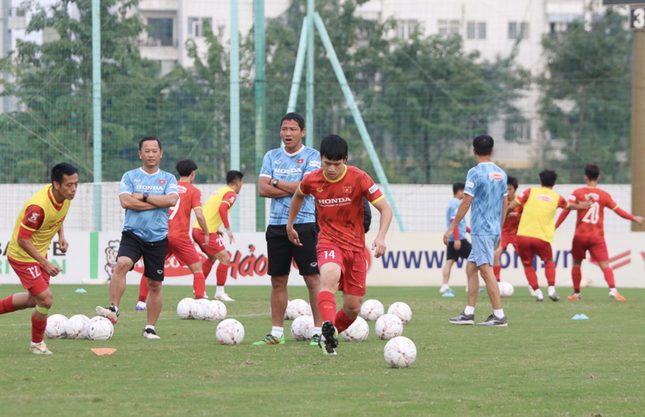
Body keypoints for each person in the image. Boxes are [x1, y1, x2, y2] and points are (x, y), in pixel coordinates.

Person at [287, 134, 393, 355]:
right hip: (328, 242)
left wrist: (381, 236)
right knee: (329, 279)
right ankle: (326, 336)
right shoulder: (312, 179)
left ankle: (330, 332)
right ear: (321, 159)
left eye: (337, 164)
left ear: (345, 159)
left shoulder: (359, 178)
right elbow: (298, 196)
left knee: (353, 307)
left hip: (355, 249)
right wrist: (290, 224)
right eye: (327, 164)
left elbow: (385, 208)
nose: (332, 169)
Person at [96, 137, 178, 339]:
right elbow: (125, 202)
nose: (150, 154)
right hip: (133, 233)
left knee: (155, 284)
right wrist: (158, 202)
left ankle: (150, 328)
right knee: (122, 263)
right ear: (140, 154)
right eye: (146, 151)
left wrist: (143, 196)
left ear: (161, 153)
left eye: (154, 151)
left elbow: (172, 199)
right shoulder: (130, 176)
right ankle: (113, 308)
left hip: (158, 237)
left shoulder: (168, 178)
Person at [252, 112, 323, 346]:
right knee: (278, 281)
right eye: (284, 129)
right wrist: (293, 187)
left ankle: (318, 331)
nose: (288, 133)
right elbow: (262, 189)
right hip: (276, 225)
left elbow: (308, 188)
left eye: (293, 129)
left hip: (304, 224)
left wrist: (275, 182)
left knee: (312, 280)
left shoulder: (312, 156)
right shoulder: (271, 156)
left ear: (302, 132)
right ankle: (276, 334)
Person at [0, 163, 78, 354]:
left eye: (76, 184)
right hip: (23, 256)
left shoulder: (65, 197)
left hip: (38, 254)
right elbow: (22, 239)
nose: (74, 189)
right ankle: (37, 345)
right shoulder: (38, 207)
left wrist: (61, 236)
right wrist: (45, 262)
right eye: (69, 185)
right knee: (45, 300)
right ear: (56, 185)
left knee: (32, 301)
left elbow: (58, 217)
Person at [444, 135, 508, 326]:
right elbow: (505, 204)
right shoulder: (501, 173)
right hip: (494, 229)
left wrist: (451, 228)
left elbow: (466, 202)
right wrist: (500, 230)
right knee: (471, 268)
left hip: (481, 230)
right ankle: (469, 313)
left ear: (473, 151)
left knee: (485, 271)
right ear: (492, 151)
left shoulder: (475, 172)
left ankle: (499, 315)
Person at [555, 163, 643, 302]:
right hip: (597, 237)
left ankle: (576, 294)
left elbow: (567, 209)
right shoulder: (604, 195)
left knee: (577, 263)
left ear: (585, 177)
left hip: (580, 235)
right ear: (598, 177)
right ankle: (613, 289)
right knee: (605, 265)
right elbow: (618, 211)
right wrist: (634, 218)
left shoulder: (577, 193)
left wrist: (555, 226)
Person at [137, 159, 210, 309]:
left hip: (161, 235)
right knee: (197, 270)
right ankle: (200, 302)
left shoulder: (168, 186)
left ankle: (141, 302)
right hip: (180, 237)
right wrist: (207, 233)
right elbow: (200, 216)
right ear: (193, 174)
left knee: (150, 269)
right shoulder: (194, 191)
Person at [507, 170, 589, 302]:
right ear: (555, 183)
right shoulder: (557, 198)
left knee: (527, 264)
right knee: (549, 261)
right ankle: (551, 289)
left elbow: (511, 206)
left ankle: (538, 292)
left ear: (540, 182)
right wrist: (582, 206)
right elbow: (569, 206)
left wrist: (505, 215)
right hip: (541, 237)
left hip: (522, 235)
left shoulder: (529, 192)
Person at [192, 170, 244, 301]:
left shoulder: (220, 191)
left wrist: (215, 229)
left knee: (212, 257)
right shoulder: (231, 194)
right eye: (241, 183)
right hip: (204, 231)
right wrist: (228, 229)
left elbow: (210, 212)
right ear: (238, 183)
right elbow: (221, 209)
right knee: (225, 259)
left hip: (199, 229)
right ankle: (220, 292)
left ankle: (198, 289)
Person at [492, 176, 529, 291]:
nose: (507, 192)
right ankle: (497, 284)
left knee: (525, 259)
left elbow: (527, 217)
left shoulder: (520, 202)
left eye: (510, 189)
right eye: (505, 189)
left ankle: (532, 285)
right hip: (503, 233)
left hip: (518, 233)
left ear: (515, 190)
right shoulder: (498, 201)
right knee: (495, 254)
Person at [441, 182, 471, 294]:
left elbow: (460, 222)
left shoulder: (450, 203)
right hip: (458, 238)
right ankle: (470, 285)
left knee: (449, 261)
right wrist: (458, 239)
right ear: (459, 191)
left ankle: (444, 285)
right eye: (464, 191)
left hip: (452, 237)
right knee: (472, 259)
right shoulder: (456, 203)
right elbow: (454, 221)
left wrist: (470, 231)